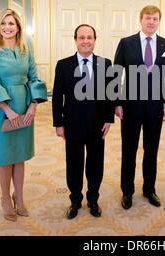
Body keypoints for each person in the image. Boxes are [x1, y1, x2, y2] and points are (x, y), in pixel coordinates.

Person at [0, 9, 47, 222]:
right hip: (1, 107)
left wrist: (33, 105)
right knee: (5, 157)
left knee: (20, 155)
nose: (7, 27)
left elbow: (34, 77)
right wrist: (7, 110)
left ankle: (20, 196)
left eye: (11, 24)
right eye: (4, 23)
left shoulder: (27, 48)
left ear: (18, 27)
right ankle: (6, 199)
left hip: (24, 104)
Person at [114, 5, 165, 209]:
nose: (151, 22)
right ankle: (127, 191)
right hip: (130, 106)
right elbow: (116, 73)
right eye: (148, 18)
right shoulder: (126, 43)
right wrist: (117, 102)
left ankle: (149, 189)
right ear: (140, 20)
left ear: (159, 21)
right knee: (129, 149)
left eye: (155, 18)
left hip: (155, 106)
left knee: (152, 149)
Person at [53, 24, 114, 219]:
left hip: (97, 125)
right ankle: (75, 200)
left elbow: (110, 95)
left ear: (95, 40)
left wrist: (109, 119)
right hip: (72, 124)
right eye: (82, 37)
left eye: (89, 37)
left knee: (96, 164)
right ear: (76, 40)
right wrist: (58, 123)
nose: (86, 41)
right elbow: (57, 97)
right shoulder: (63, 65)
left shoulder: (106, 63)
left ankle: (93, 199)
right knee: (74, 164)